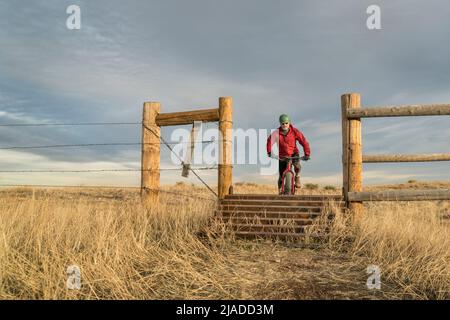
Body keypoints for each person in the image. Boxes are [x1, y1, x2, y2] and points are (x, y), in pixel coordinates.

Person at [266, 114, 310, 191]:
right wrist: (269, 151)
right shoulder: (276, 133)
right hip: (282, 155)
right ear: (280, 124)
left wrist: (307, 154)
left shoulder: (295, 131)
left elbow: (304, 142)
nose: (285, 125)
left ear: (289, 123)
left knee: (297, 166)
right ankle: (280, 188)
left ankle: (297, 176)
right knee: (281, 174)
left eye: (286, 123)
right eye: (283, 123)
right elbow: (270, 141)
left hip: (294, 153)